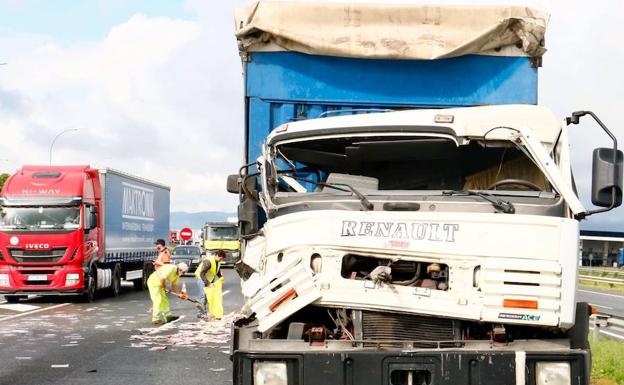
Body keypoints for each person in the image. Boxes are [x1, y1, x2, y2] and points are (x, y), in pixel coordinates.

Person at [198, 250, 225, 320]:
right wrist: (208, 283)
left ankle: (206, 312)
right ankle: (201, 313)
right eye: (221, 258)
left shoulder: (217, 262)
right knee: (203, 297)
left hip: (209, 279)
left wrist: (221, 277)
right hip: (202, 279)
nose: (221, 260)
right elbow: (202, 273)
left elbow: (217, 270)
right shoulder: (208, 261)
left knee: (209, 296)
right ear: (217, 256)